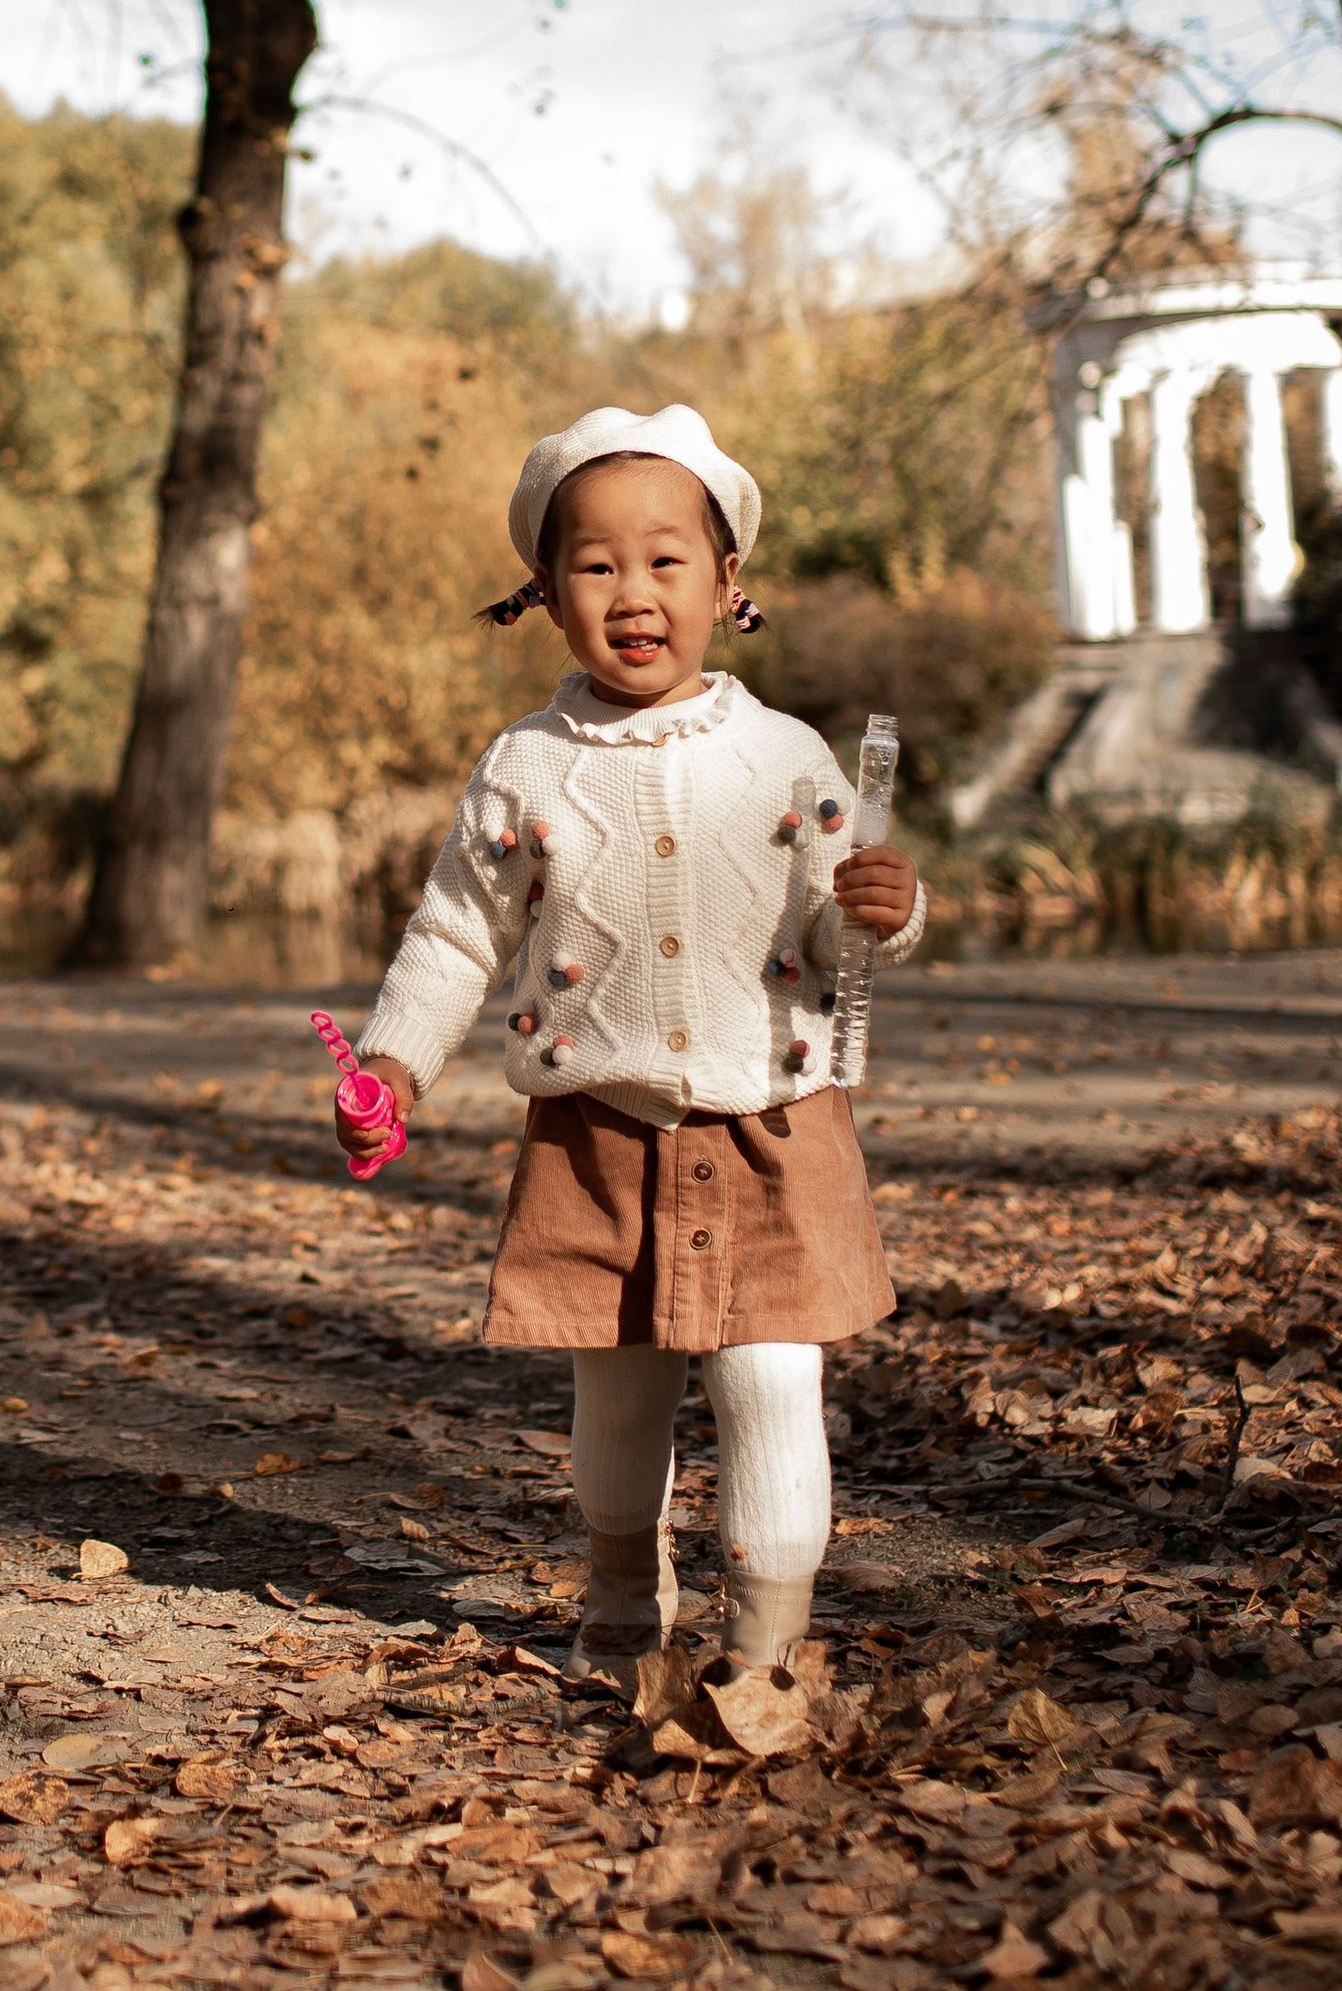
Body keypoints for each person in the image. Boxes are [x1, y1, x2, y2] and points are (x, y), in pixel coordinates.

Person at [348, 401, 923, 1683]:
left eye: (665, 559)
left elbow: (843, 939)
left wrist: (881, 913)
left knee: (773, 1385)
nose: (631, 589)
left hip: (774, 1125)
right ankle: (621, 1578)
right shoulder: (526, 768)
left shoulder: (788, 755)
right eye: (594, 564)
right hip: (600, 1134)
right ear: (544, 595)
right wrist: (393, 1061)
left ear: (728, 584)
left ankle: (769, 1643)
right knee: (619, 1393)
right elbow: (457, 933)